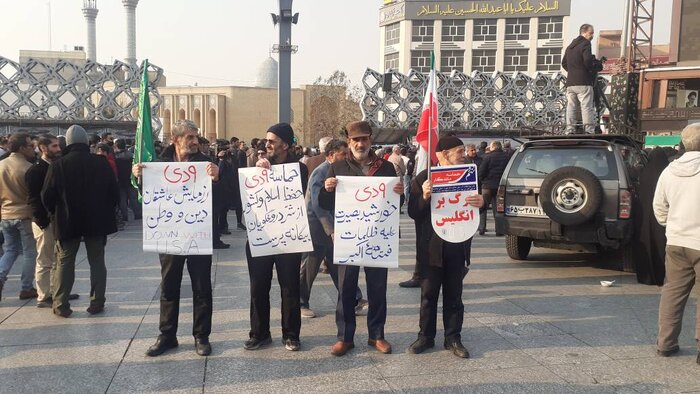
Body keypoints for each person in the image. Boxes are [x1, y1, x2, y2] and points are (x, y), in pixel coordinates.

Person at [132, 120, 220, 357]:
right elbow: (147, 197)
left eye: (196, 137)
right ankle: (167, 335)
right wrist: (139, 178)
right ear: (175, 139)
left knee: (201, 287)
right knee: (169, 286)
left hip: (198, 235)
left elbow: (225, 198)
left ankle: (201, 336)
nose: (195, 142)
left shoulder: (206, 163)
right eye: (190, 137)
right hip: (169, 236)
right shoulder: (159, 165)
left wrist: (218, 177)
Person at [319, 121, 404, 356]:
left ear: (371, 140)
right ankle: (344, 337)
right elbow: (324, 204)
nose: (360, 143)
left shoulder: (385, 167)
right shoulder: (337, 167)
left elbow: (397, 205)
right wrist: (326, 189)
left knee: (378, 289)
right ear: (348, 142)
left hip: (377, 239)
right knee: (346, 288)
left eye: (364, 138)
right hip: (349, 239)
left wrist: (399, 194)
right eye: (355, 139)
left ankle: (377, 335)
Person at [408, 135, 484, 358]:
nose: (464, 154)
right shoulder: (424, 177)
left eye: (463, 151)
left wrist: (482, 202)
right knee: (428, 295)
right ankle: (425, 336)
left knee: (454, 295)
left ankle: (453, 337)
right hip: (430, 247)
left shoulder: (468, 175)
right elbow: (413, 212)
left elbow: (473, 206)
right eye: (459, 151)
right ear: (442, 155)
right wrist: (424, 195)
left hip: (457, 245)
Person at [41, 125, 119, 317]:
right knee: (97, 261)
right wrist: (106, 211)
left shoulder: (58, 165)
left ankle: (61, 304)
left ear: (66, 143)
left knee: (65, 262)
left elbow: (47, 196)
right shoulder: (100, 163)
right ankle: (97, 302)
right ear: (86, 142)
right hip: (96, 221)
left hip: (68, 220)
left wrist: (54, 213)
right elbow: (114, 193)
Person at [244, 123, 309, 352]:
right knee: (258, 286)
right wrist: (258, 170)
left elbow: (296, 192)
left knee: (289, 286)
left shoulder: (298, 169)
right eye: (266, 140)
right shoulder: (255, 165)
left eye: (272, 141)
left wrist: (271, 170)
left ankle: (291, 334)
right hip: (260, 235)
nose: (267, 144)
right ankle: (259, 333)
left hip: (288, 237)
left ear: (285, 143)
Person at [300, 139, 366, 318]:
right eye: (342, 154)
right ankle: (300, 302)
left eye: (347, 153)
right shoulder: (320, 173)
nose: (346, 157)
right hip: (318, 227)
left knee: (339, 265)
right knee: (310, 267)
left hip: (335, 226)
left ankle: (355, 299)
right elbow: (317, 204)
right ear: (330, 156)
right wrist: (331, 230)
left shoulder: (342, 171)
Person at [653, 123, 700, 365]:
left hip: (676, 240)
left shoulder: (669, 171)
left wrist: (671, 226)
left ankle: (665, 344)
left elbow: (659, 208)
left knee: (672, 292)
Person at [25, 135, 79, 308]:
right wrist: (42, 221)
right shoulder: (36, 170)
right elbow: (33, 199)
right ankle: (44, 295)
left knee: (58, 259)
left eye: (58, 146)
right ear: (43, 148)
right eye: (54, 146)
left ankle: (58, 292)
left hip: (58, 220)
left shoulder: (58, 166)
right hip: (45, 221)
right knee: (45, 259)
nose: (58, 149)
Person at [0, 132, 39, 302]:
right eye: (31, 146)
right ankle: (26, 287)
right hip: (24, 214)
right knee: (30, 252)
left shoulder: (1, 165)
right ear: (22, 148)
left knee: (10, 250)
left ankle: (1, 275)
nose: (33, 148)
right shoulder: (28, 168)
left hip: (5, 214)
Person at [633, 149, 669, 286]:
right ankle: (662, 275)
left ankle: (645, 276)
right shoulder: (666, 173)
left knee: (645, 243)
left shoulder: (644, 173)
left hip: (643, 216)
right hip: (660, 216)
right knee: (661, 244)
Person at [562, 24, 598, 134]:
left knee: (571, 107)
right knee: (586, 107)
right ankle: (588, 130)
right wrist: (591, 69)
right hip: (584, 82)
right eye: (591, 33)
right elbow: (587, 61)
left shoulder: (570, 47)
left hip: (571, 83)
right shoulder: (586, 43)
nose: (592, 35)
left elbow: (564, 63)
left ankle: (570, 130)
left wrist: (573, 71)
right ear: (584, 32)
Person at [477, 141, 509, 236]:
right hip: (500, 186)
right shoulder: (506, 157)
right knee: (498, 209)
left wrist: (482, 181)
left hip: (487, 186)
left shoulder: (487, 157)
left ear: (493, 147)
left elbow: (481, 172)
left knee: (483, 207)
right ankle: (499, 230)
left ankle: (482, 228)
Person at [114, 139, 142, 222]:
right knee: (134, 199)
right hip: (131, 180)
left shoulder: (116, 157)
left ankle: (124, 217)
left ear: (116, 146)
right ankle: (138, 215)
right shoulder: (132, 155)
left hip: (120, 181)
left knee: (122, 201)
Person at [388, 145, 407, 213]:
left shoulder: (389, 157)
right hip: (398, 176)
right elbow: (403, 169)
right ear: (396, 150)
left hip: (391, 177)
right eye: (399, 150)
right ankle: (399, 208)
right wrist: (403, 172)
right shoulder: (399, 158)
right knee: (399, 193)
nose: (400, 151)